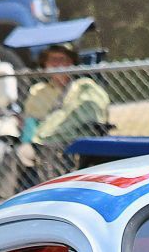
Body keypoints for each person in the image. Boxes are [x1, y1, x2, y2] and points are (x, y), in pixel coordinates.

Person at [23, 43, 112, 174]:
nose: (57, 64)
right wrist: (26, 142)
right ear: (45, 64)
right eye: (53, 60)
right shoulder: (38, 91)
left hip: (79, 141)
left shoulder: (85, 86)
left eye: (62, 59)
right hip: (46, 145)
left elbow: (94, 112)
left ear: (71, 62)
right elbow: (31, 121)